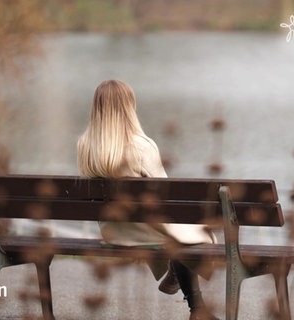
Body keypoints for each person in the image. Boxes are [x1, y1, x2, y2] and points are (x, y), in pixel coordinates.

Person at [77, 80, 219, 320]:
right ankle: (196, 308)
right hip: (147, 230)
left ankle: (191, 296)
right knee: (194, 234)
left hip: (114, 231)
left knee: (182, 234)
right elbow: (166, 196)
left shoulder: (85, 146)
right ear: (129, 108)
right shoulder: (142, 146)